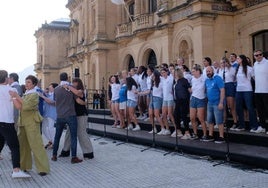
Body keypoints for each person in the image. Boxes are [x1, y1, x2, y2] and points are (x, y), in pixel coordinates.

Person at [10, 75, 50, 176]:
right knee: (23, 146)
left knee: (36, 145)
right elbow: (20, 106)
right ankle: (24, 166)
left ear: (34, 84)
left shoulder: (35, 94)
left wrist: (17, 96)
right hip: (23, 123)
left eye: (28, 82)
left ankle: (43, 169)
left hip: (32, 122)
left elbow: (26, 106)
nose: (26, 84)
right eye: (26, 82)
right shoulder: (26, 94)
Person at [0, 70, 31, 178]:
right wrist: (16, 97)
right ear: (5, 79)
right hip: (7, 122)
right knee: (14, 146)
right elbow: (19, 106)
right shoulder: (11, 90)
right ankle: (16, 170)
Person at [51, 72, 82, 164]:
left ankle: (54, 155)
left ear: (60, 78)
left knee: (57, 136)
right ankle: (73, 157)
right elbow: (78, 99)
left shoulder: (56, 89)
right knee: (73, 136)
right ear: (68, 78)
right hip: (70, 114)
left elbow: (55, 101)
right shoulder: (72, 88)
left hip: (60, 115)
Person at [60, 78, 94, 159]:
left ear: (78, 83)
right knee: (68, 133)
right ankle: (65, 151)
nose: (72, 83)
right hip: (72, 115)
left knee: (81, 133)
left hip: (81, 114)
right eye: (72, 82)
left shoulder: (80, 90)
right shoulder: (71, 91)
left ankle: (88, 153)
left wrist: (68, 86)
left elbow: (78, 97)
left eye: (74, 82)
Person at [234, 55, 259, 132]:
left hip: (247, 90)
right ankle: (242, 125)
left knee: (250, 107)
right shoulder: (237, 68)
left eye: (238, 58)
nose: (237, 59)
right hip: (239, 90)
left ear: (242, 59)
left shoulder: (249, 68)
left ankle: (254, 126)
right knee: (238, 107)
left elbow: (255, 78)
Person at [204, 66, 225, 143]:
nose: (208, 73)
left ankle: (221, 136)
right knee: (209, 120)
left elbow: (222, 90)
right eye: (207, 72)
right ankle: (210, 135)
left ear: (213, 71)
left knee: (219, 120)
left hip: (217, 103)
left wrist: (221, 102)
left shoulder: (218, 78)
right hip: (210, 103)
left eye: (209, 71)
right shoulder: (207, 80)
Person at [218, 57, 238, 130]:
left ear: (227, 62)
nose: (222, 64)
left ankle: (235, 121)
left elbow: (235, 78)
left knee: (231, 105)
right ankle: (224, 121)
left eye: (223, 62)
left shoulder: (231, 69)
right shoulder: (220, 70)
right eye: (221, 63)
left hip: (229, 85)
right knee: (223, 105)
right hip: (222, 86)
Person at [190, 65, 207, 140]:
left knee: (201, 118)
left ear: (198, 71)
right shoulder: (193, 79)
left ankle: (205, 134)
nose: (192, 73)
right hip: (193, 98)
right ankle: (195, 133)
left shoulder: (204, 78)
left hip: (201, 98)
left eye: (193, 71)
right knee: (192, 117)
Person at [173, 68, 191, 139]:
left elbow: (189, 89)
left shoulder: (184, 80)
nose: (173, 74)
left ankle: (187, 133)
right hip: (177, 100)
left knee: (184, 116)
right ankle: (179, 131)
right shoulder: (176, 81)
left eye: (175, 73)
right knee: (176, 115)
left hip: (183, 100)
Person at [39, 83, 58, 149]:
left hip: (51, 113)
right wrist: (43, 93)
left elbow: (51, 102)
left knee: (50, 128)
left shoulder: (55, 95)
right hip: (46, 113)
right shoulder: (48, 94)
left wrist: (43, 96)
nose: (49, 88)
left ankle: (54, 143)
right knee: (44, 129)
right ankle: (51, 141)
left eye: (50, 87)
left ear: (54, 88)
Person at [253, 49, 268, 134]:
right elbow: (254, 77)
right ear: (254, 57)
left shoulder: (267, 63)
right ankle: (262, 127)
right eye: (256, 55)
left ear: (262, 55)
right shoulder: (255, 64)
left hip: (266, 91)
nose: (258, 56)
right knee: (260, 110)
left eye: (260, 54)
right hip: (257, 90)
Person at [159, 67, 175, 136]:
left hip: (170, 98)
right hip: (164, 99)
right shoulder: (162, 79)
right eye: (162, 73)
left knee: (170, 114)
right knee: (164, 114)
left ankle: (176, 129)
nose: (163, 74)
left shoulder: (171, 78)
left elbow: (174, 85)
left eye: (164, 72)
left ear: (167, 72)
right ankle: (167, 129)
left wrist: (173, 92)